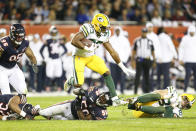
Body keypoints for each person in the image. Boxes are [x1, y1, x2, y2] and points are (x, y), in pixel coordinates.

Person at [64, 13, 134, 106]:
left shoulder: (105, 34)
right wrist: (85, 47)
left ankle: (115, 99)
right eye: (104, 27)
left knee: (106, 72)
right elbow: (74, 40)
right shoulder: (88, 28)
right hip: (79, 57)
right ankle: (71, 80)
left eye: (107, 27)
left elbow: (112, 51)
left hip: (91, 57)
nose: (106, 30)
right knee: (78, 83)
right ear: (96, 25)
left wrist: (122, 66)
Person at [0, 24, 37, 95]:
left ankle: (21, 106)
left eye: (21, 36)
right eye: (18, 36)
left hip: (14, 68)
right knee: (6, 94)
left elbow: (31, 56)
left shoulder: (25, 43)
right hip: (2, 69)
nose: (20, 38)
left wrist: (34, 64)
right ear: (12, 34)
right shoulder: (3, 43)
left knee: (23, 91)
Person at [38, 86, 111, 120]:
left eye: (103, 100)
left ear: (106, 105)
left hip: (73, 117)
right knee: (44, 112)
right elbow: (75, 91)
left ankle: (35, 111)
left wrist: (78, 105)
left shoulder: (101, 114)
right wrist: (80, 92)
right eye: (102, 97)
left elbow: (83, 118)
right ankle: (33, 110)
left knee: (52, 119)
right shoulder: (94, 91)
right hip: (68, 106)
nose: (101, 99)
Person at [127, 86, 195, 118]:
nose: (185, 104)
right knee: (158, 96)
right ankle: (134, 100)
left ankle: (137, 107)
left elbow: (167, 117)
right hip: (145, 102)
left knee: (162, 109)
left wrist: (171, 107)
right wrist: (167, 98)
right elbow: (157, 92)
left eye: (187, 105)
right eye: (186, 101)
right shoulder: (174, 93)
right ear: (184, 97)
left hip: (146, 112)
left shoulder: (178, 111)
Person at [40, 25, 67, 92]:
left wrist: (61, 56)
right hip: (51, 59)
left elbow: (65, 50)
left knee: (59, 74)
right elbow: (41, 50)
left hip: (57, 59)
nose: (54, 34)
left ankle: (59, 88)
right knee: (49, 74)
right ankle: (47, 88)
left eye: (55, 33)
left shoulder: (59, 40)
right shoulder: (48, 40)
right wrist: (44, 58)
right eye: (53, 33)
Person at [106, 26, 132, 94]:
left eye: (118, 30)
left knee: (122, 76)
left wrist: (125, 59)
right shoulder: (111, 39)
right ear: (114, 31)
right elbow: (108, 50)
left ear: (120, 31)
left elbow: (128, 50)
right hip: (112, 61)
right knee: (113, 76)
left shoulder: (125, 39)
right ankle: (114, 91)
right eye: (116, 30)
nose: (117, 32)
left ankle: (122, 90)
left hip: (122, 61)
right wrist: (109, 59)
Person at [131, 28, 155, 94]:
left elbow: (153, 51)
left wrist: (154, 61)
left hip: (147, 60)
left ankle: (146, 91)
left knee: (147, 76)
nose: (144, 33)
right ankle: (135, 91)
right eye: (143, 32)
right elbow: (134, 51)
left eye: (145, 32)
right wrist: (132, 60)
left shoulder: (150, 41)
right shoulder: (137, 40)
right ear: (141, 32)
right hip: (139, 60)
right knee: (137, 76)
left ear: (147, 33)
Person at [178, 25, 196, 92]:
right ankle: (185, 89)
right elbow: (181, 49)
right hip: (187, 60)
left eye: (193, 32)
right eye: (191, 32)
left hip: (195, 60)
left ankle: (195, 89)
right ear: (189, 32)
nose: (192, 33)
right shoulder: (185, 38)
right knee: (187, 75)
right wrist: (180, 58)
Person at [146, 22, 161, 91]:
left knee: (151, 74)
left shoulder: (155, 36)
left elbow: (158, 47)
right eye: (149, 27)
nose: (150, 28)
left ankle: (151, 89)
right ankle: (145, 89)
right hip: (145, 58)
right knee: (145, 74)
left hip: (152, 58)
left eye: (151, 27)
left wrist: (158, 57)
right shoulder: (144, 35)